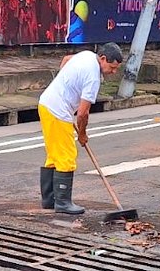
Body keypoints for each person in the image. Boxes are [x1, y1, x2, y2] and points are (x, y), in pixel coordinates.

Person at [37, 43, 123, 214]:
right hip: (57, 111)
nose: (113, 72)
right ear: (103, 59)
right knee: (67, 156)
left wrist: (63, 83)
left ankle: (49, 200)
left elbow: (66, 59)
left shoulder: (86, 55)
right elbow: (83, 113)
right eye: (112, 68)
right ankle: (62, 203)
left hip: (46, 104)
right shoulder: (93, 78)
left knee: (55, 155)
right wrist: (82, 135)